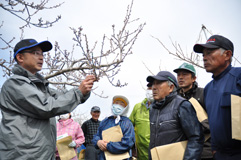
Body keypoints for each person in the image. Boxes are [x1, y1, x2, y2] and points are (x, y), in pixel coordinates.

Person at [0, 39, 95, 160]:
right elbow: (46, 106)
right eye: (35, 53)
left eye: (42, 54)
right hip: (23, 155)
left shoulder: (40, 86)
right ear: (20, 57)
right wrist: (78, 93)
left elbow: (62, 96)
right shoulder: (15, 84)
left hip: (40, 155)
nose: (41, 57)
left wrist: (83, 91)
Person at [193, 35, 241, 159]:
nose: (204, 57)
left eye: (209, 52)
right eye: (203, 54)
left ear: (227, 54)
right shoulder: (208, 88)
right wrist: (214, 149)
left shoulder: (238, 77)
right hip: (219, 155)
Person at [147, 71, 204, 160]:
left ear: (171, 87)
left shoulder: (182, 105)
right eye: (153, 84)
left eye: (158, 83)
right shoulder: (153, 109)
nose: (154, 87)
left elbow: (196, 137)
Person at [174, 62, 212, 159]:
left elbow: (214, 119)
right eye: (178, 75)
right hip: (181, 149)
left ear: (194, 78)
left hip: (205, 149)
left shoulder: (203, 93)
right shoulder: (174, 98)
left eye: (185, 74)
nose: (180, 77)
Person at [92, 95, 135, 160]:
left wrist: (108, 146)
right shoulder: (105, 121)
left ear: (126, 107)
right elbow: (97, 135)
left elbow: (128, 143)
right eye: (116, 103)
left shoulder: (127, 123)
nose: (118, 106)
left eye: (121, 104)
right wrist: (98, 142)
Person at [129, 83, 153, 160]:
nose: (151, 91)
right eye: (149, 88)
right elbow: (129, 125)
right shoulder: (137, 107)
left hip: (155, 152)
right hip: (139, 153)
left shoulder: (161, 108)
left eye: (153, 88)